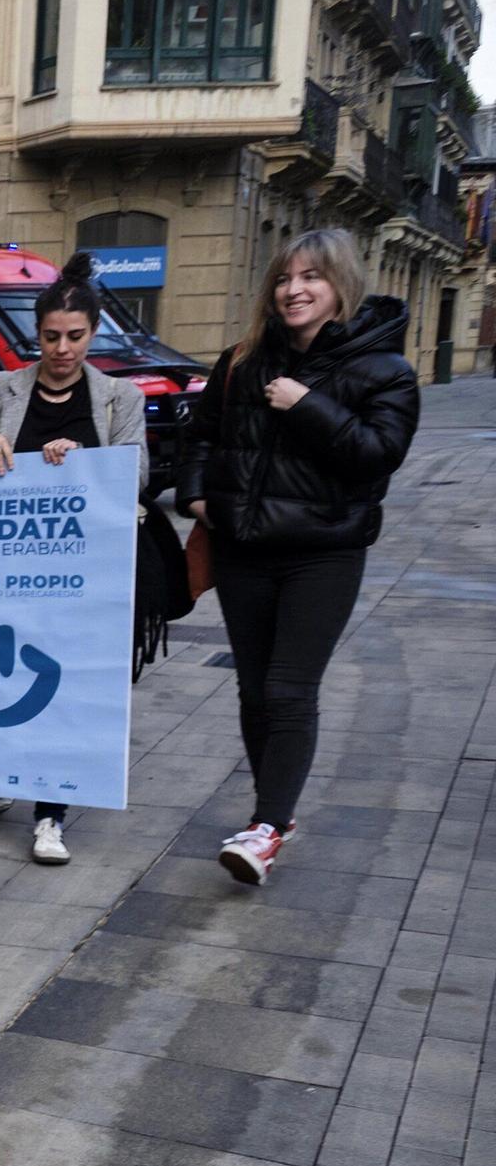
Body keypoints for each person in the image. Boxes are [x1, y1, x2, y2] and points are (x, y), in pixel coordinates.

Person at [175, 229, 416, 886]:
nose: (293, 289)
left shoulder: (385, 370)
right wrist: (197, 497)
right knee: (255, 690)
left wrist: (308, 404)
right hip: (243, 551)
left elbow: (376, 456)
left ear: (341, 286)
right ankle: (271, 816)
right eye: (284, 277)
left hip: (323, 556)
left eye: (311, 276)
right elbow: (199, 435)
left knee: (288, 688)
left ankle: (266, 826)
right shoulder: (242, 361)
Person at [0, 251, 149, 866]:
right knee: (2, 667)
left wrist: (86, 461)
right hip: (3, 569)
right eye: (50, 337)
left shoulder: (120, 398)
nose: (63, 349)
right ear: (34, 335)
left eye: (75, 337)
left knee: (63, 684)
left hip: (80, 573)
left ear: (93, 334)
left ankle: (50, 813)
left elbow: (136, 471)